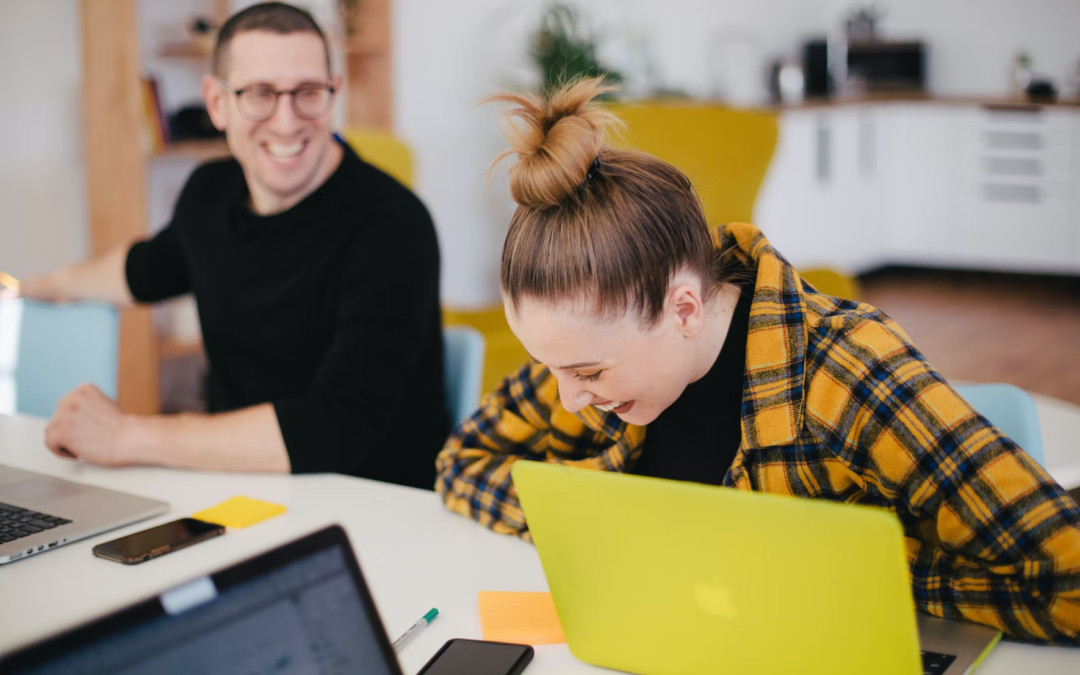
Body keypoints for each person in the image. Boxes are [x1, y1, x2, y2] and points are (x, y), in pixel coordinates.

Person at [436, 78, 1080, 643]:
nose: (568, 397)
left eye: (588, 374)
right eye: (551, 367)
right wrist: (602, 526)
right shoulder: (592, 354)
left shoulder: (850, 373)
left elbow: (1068, 580)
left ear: (683, 308)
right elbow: (461, 463)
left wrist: (864, 570)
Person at [19, 3, 449, 490]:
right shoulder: (209, 192)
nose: (286, 123)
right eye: (260, 94)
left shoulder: (393, 224)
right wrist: (41, 285)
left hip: (374, 507)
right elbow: (146, 268)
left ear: (334, 93)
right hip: (237, 488)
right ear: (217, 103)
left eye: (308, 92)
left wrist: (127, 435)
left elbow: (338, 425)